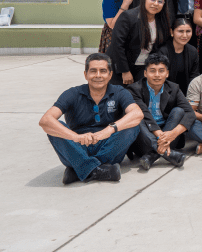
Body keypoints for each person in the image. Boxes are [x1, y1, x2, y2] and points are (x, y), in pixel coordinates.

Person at [39, 53, 143, 184]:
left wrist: (107, 131)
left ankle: (79, 169)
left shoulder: (119, 92)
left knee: (132, 125)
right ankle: (98, 170)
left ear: (110, 75)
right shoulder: (72, 93)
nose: (98, 75)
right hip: (77, 147)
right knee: (54, 127)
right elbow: (45, 120)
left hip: (108, 147)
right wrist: (76, 137)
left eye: (103, 71)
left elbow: (137, 114)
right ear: (85, 74)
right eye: (93, 71)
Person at [126, 53, 193, 170]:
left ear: (167, 73)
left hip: (168, 135)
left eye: (161, 71)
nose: (157, 75)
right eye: (152, 71)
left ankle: (152, 156)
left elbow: (190, 113)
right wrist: (161, 137)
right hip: (145, 137)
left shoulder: (174, 88)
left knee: (178, 111)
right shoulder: (134, 89)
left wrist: (173, 133)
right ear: (145, 73)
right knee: (137, 117)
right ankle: (166, 153)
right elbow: (145, 115)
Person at [108, 0, 171, 85]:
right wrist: (125, 71)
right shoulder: (128, 17)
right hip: (122, 67)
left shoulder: (162, 21)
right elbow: (117, 45)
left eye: (160, 1)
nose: (155, 4)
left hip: (143, 67)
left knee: (139, 96)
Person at [162, 18, 199, 92]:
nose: (185, 35)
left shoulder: (193, 51)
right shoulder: (163, 52)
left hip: (187, 93)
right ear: (172, 32)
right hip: (165, 93)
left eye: (188, 31)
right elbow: (161, 79)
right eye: (180, 31)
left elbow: (194, 76)